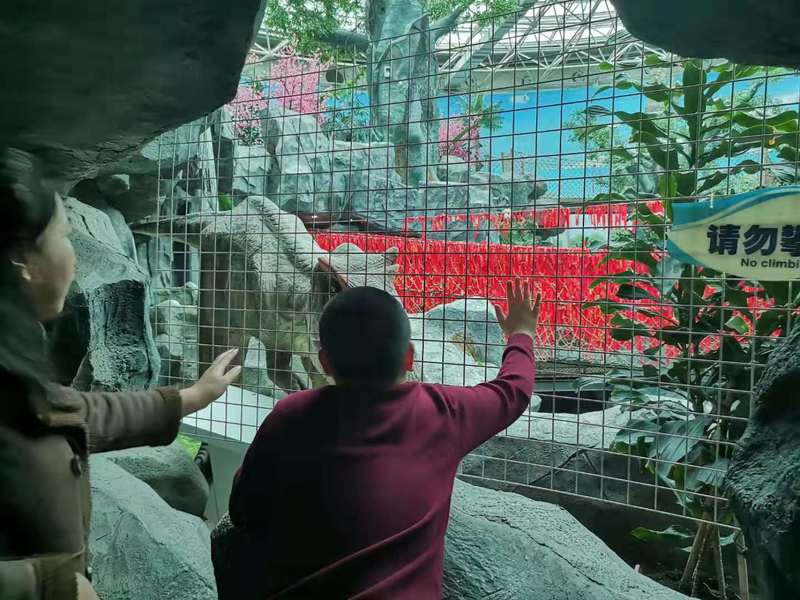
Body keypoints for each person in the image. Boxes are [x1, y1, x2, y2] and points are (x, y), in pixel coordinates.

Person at [0, 147, 241, 600]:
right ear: (23, 262)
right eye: (64, 236)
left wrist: (190, 397)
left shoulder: (16, 370)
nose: (74, 255)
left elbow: (73, 410)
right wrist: (44, 585)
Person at [229, 279, 540, 599]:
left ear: (325, 362)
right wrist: (521, 334)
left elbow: (242, 509)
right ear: (408, 357)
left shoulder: (290, 415)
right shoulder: (441, 412)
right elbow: (513, 391)